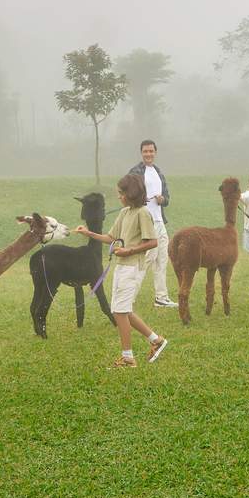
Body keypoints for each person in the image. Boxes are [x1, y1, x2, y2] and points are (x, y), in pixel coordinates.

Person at [75, 173, 169, 368]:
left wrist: (129, 250)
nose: (119, 196)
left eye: (121, 193)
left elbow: (153, 242)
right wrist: (89, 233)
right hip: (121, 266)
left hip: (132, 267)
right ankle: (156, 340)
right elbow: (111, 238)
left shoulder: (143, 213)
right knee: (122, 310)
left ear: (131, 193)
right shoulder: (125, 212)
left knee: (120, 311)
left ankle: (128, 358)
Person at [128, 139, 176, 308]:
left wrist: (162, 199)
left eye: (151, 151)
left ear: (155, 152)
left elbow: (167, 198)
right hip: (145, 222)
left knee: (162, 260)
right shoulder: (135, 172)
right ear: (141, 153)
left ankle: (161, 298)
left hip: (159, 221)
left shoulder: (158, 172)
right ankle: (128, 299)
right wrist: (140, 199)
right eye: (145, 151)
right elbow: (127, 194)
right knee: (146, 260)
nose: (148, 154)